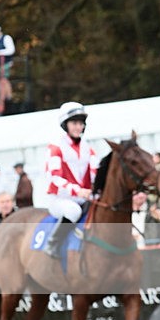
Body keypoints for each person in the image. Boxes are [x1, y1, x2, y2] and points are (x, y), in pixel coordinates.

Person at [44, 101, 99, 258]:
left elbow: (95, 172)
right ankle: (52, 243)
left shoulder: (87, 147)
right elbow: (54, 178)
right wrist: (78, 191)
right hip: (60, 199)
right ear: (65, 125)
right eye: (74, 123)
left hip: (83, 197)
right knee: (74, 211)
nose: (78, 127)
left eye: (81, 123)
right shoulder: (55, 147)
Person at [0, 23, 15, 103]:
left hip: (5, 63)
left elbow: (11, 50)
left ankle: (8, 98)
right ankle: (1, 99)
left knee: (4, 80)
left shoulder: (6, 38)